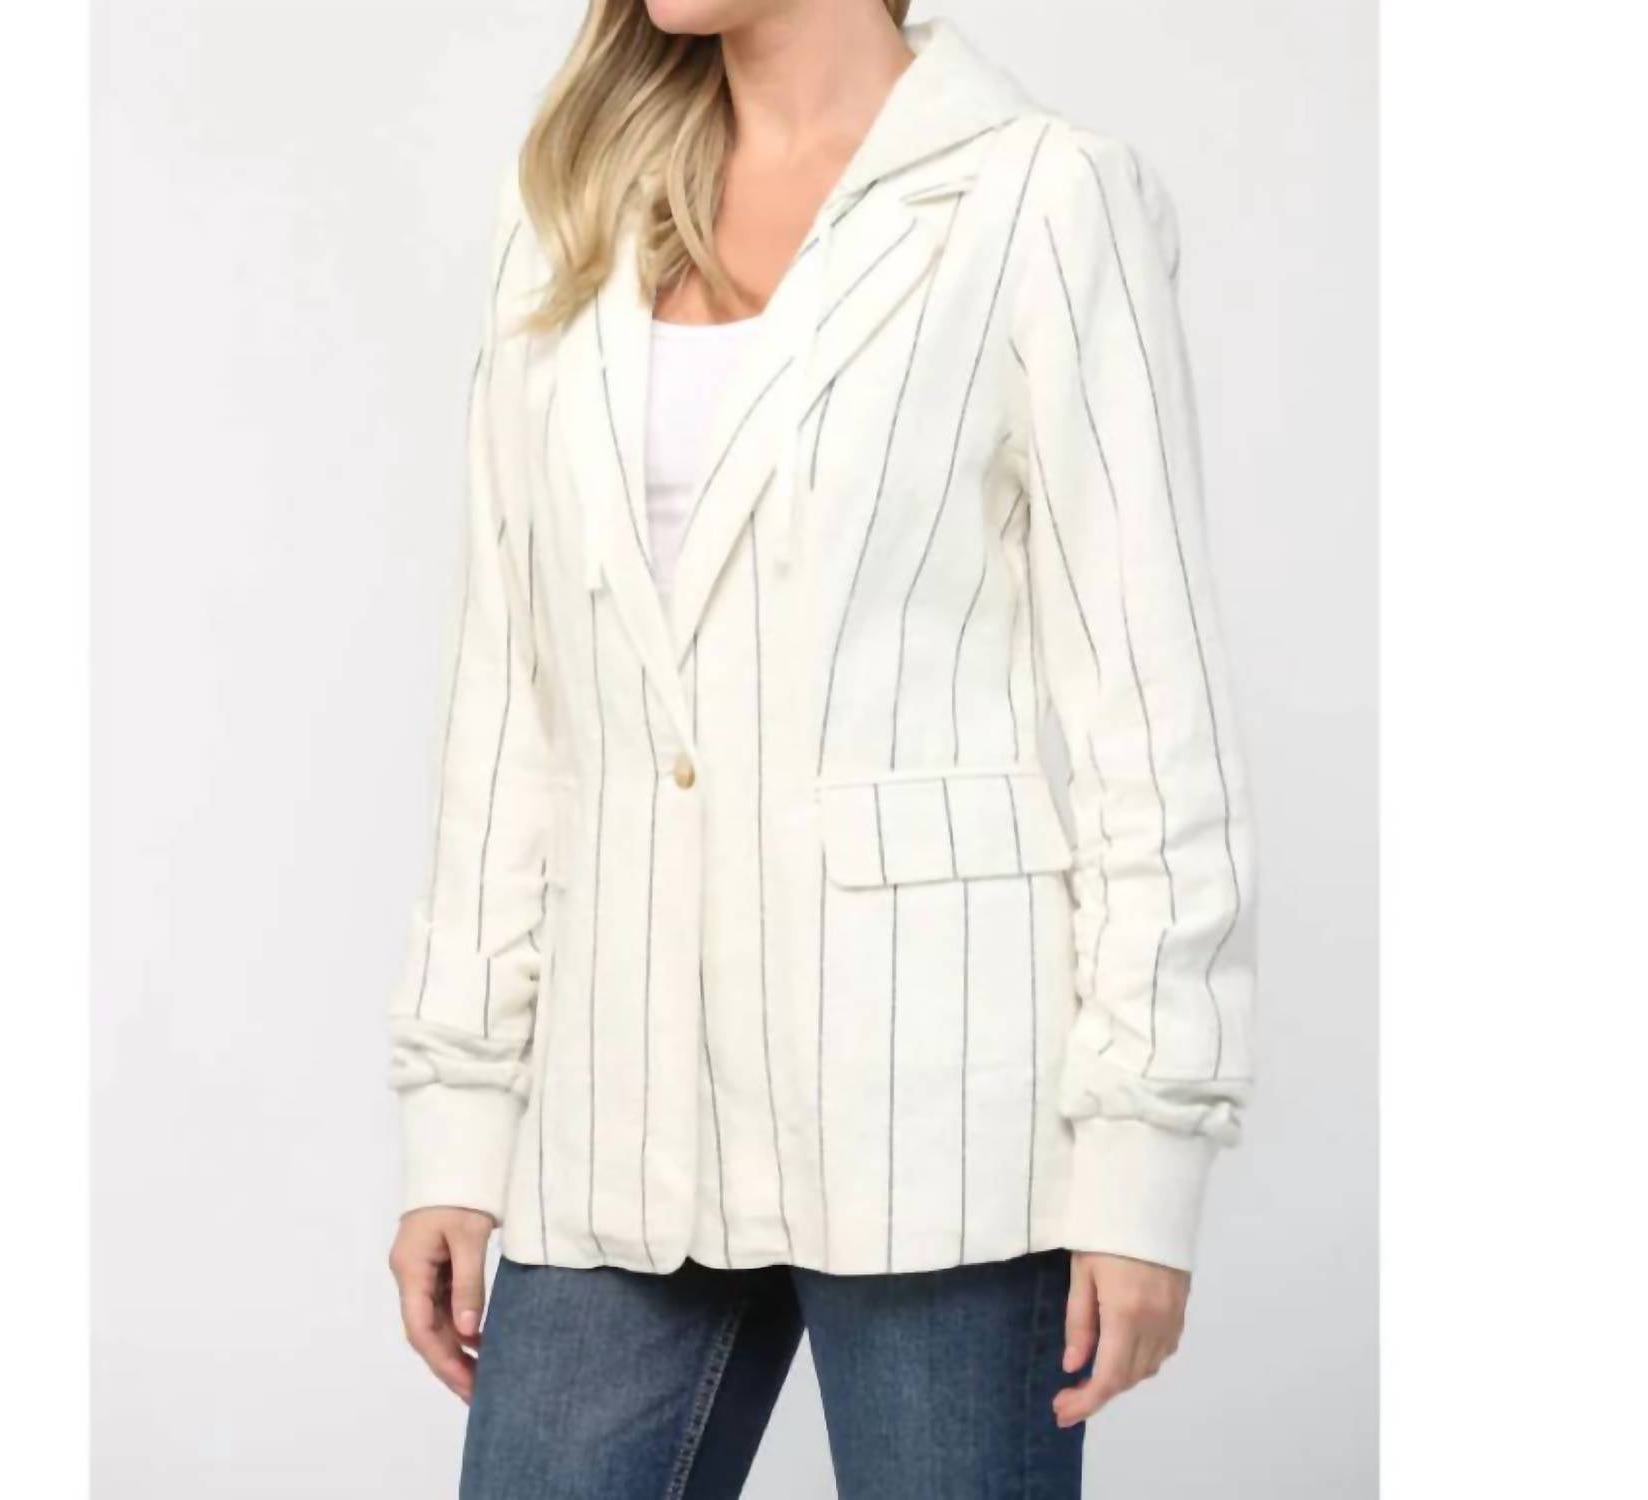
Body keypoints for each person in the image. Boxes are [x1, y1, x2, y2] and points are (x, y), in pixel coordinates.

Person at [386, 2, 1257, 1495]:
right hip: (622, 1097)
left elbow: (1149, 711)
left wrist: (1143, 1154)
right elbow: (510, 706)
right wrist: (459, 1122)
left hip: (938, 1110)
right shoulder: (569, 223)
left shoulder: (1037, 197)